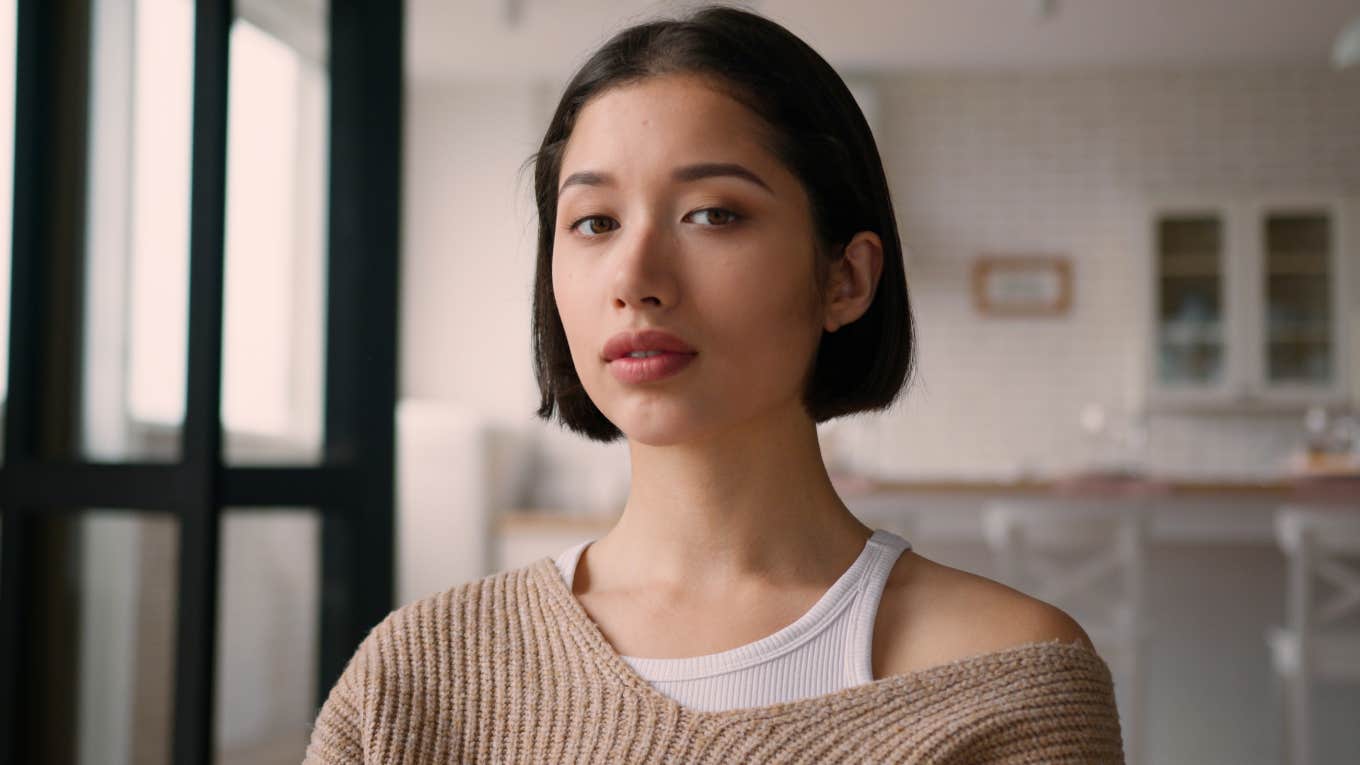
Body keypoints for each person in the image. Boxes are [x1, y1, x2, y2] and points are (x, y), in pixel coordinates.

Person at [304, 5, 1124, 763]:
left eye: (713, 214)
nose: (636, 277)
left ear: (846, 278)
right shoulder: (414, 678)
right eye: (594, 222)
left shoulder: (1012, 682)